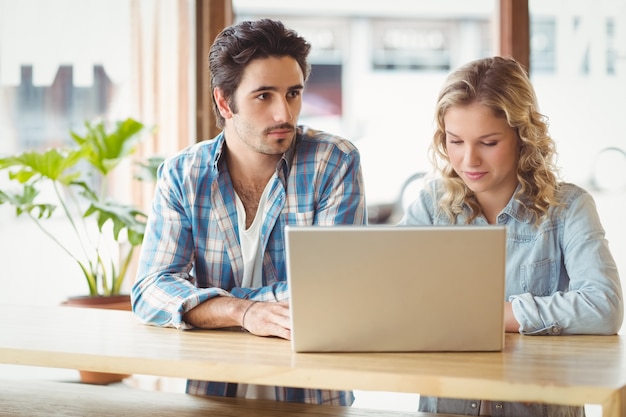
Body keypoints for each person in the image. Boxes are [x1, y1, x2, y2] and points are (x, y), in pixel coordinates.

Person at [131, 18, 366, 405]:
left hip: (313, 395)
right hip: (212, 395)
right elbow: (151, 289)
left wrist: (206, 303)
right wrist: (243, 311)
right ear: (225, 102)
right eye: (264, 96)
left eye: (293, 94)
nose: (284, 115)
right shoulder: (183, 174)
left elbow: (333, 293)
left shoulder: (333, 162)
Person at [399, 56, 623, 416]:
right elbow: (391, 301)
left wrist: (495, 315)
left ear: (523, 136)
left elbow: (604, 307)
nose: (469, 160)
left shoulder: (568, 207)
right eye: (455, 141)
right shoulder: (431, 206)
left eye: (488, 142)